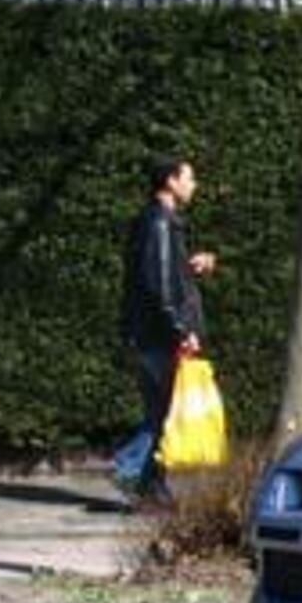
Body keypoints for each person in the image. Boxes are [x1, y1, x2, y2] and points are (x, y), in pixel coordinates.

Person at [117, 154, 216, 498]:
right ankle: (128, 467)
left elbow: (163, 275)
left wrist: (190, 267)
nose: (194, 184)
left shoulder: (161, 223)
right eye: (189, 178)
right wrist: (180, 328)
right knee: (163, 411)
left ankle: (151, 486)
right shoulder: (160, 223)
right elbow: (156, 285)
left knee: (162, 411)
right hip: (158, 336)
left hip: (153, 332)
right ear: (171, 182)